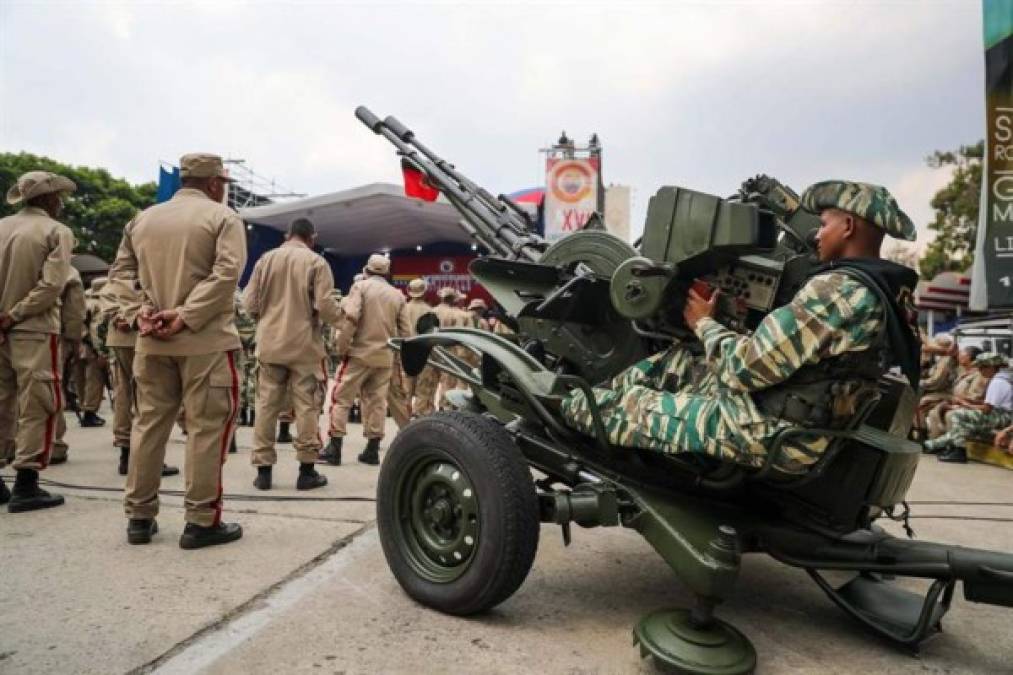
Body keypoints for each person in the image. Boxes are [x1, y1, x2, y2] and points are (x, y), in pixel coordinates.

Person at [562, 180, 921, 473]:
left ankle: (566, 406)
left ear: (849, 226)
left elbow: (743, 369)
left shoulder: (839, 292)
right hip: (808, 427)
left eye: (824, 223)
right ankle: (596, 393)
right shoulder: (889, 293)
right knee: (681, 362)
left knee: (630, 405)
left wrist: (704, 323)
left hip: (775, 434)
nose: (816, 235)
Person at [109, 152, 246, 548]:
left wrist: (138, 314)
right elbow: (226, 274)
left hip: (150, 342)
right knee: (206, 429)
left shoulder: (142, 219)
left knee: (149, 425)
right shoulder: (223, 218)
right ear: (215, 183)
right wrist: (185, 316)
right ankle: (201, 521)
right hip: (205, 341)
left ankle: (139, 517)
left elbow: (119, 275)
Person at [242, 217, 339, 490]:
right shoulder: (317, 263)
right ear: (312, 237)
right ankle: (306, 471)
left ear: (288, 235)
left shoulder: (265, 260)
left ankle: (263, 473)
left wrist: (268, 319)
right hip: (305, 347)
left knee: (266, 405)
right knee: (307, 407)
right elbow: (326, 306)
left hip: (270, 345)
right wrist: (342, 321)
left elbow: (249, 303)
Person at [0, 170, 77, 511]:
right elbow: (51, 286)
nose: (61, 202)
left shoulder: (1, 226)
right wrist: (15, 314)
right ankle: (26, 483)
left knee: (2, 401)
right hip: (33, 327)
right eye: (58, 196)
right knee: (39, 403)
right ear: (47, 198)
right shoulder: (55, 231)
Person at [320, 254, 409, 466]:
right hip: (384, 358)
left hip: (358, 354)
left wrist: (341, 347)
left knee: (341, 399)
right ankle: (371, 450)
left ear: (367, 270)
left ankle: (335, 448)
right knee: (377, 402)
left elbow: (351, 317)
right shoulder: (397, 295)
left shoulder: (360, 287)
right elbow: (406, 332)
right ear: (386, 273)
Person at [102, 276, 180, 477]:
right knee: (147, 398)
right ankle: (146, 458)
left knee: (123, 392)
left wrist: (118, 316)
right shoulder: (147, 261)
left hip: (120, 338)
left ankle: (125, 453)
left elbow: (109, 293)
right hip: (141, 335)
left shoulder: (121, 269)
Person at [922, 353, 1013, 463]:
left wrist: (966, 405)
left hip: (1001, 416)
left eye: (983, 367)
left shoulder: (998, 382)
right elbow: (989, 403)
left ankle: (958, 450)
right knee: (963, 427)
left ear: (992, 367)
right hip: (1000, 414)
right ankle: (936, 446)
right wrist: (967, 401)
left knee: (958, 415)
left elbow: (987, 409)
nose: (980, 370)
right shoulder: (1000, 379)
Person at [51, 267, 86, 464]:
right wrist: (74, 338)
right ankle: (53, 445)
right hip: (44, 332)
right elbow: (74, 306)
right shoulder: (65, 268)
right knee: (48, 389)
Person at [924, 345, 987, 439]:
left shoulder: (978, 375)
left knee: (950, 415)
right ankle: (935, 442)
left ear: (969, 357)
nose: (959, 356)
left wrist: (957, 403)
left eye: (963, 354)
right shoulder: (962, 371)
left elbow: (975, 397)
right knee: (933, 412)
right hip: (956, 401)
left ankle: (953, 445)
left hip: (966, 405)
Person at [403, 278, 438, 416]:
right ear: (424, 292)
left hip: (405, 353)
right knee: (423, 389)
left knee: (406, 388)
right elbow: (432, 336)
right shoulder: (430, 311)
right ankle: (420, 416)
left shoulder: (402, 308)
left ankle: (404, 416)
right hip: (424, 355)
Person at [77, 277, 109, 428]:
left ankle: (85, 409)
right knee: (95, 381)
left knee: (83, 379)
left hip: (81, 346)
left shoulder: (85, 302)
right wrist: (101, 351)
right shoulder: (100, 305)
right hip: (92, 348)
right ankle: (90, 412)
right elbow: (97, 330)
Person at [915, 334, 958, 435]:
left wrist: (919, 383)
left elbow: (935, 381)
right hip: (939, 390)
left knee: (920, 403)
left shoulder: (946, 361)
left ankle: (921, 432)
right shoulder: (941, 359)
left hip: (945, 392)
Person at [433, 286, 466, 410]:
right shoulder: (455, 313)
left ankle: (425, 409)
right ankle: (444, 405)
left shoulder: (432, 311)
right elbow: (459, 334)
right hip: (448, 350)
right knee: (448, 381)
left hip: (431, 348)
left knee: (431, 382)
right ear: (453, 299)